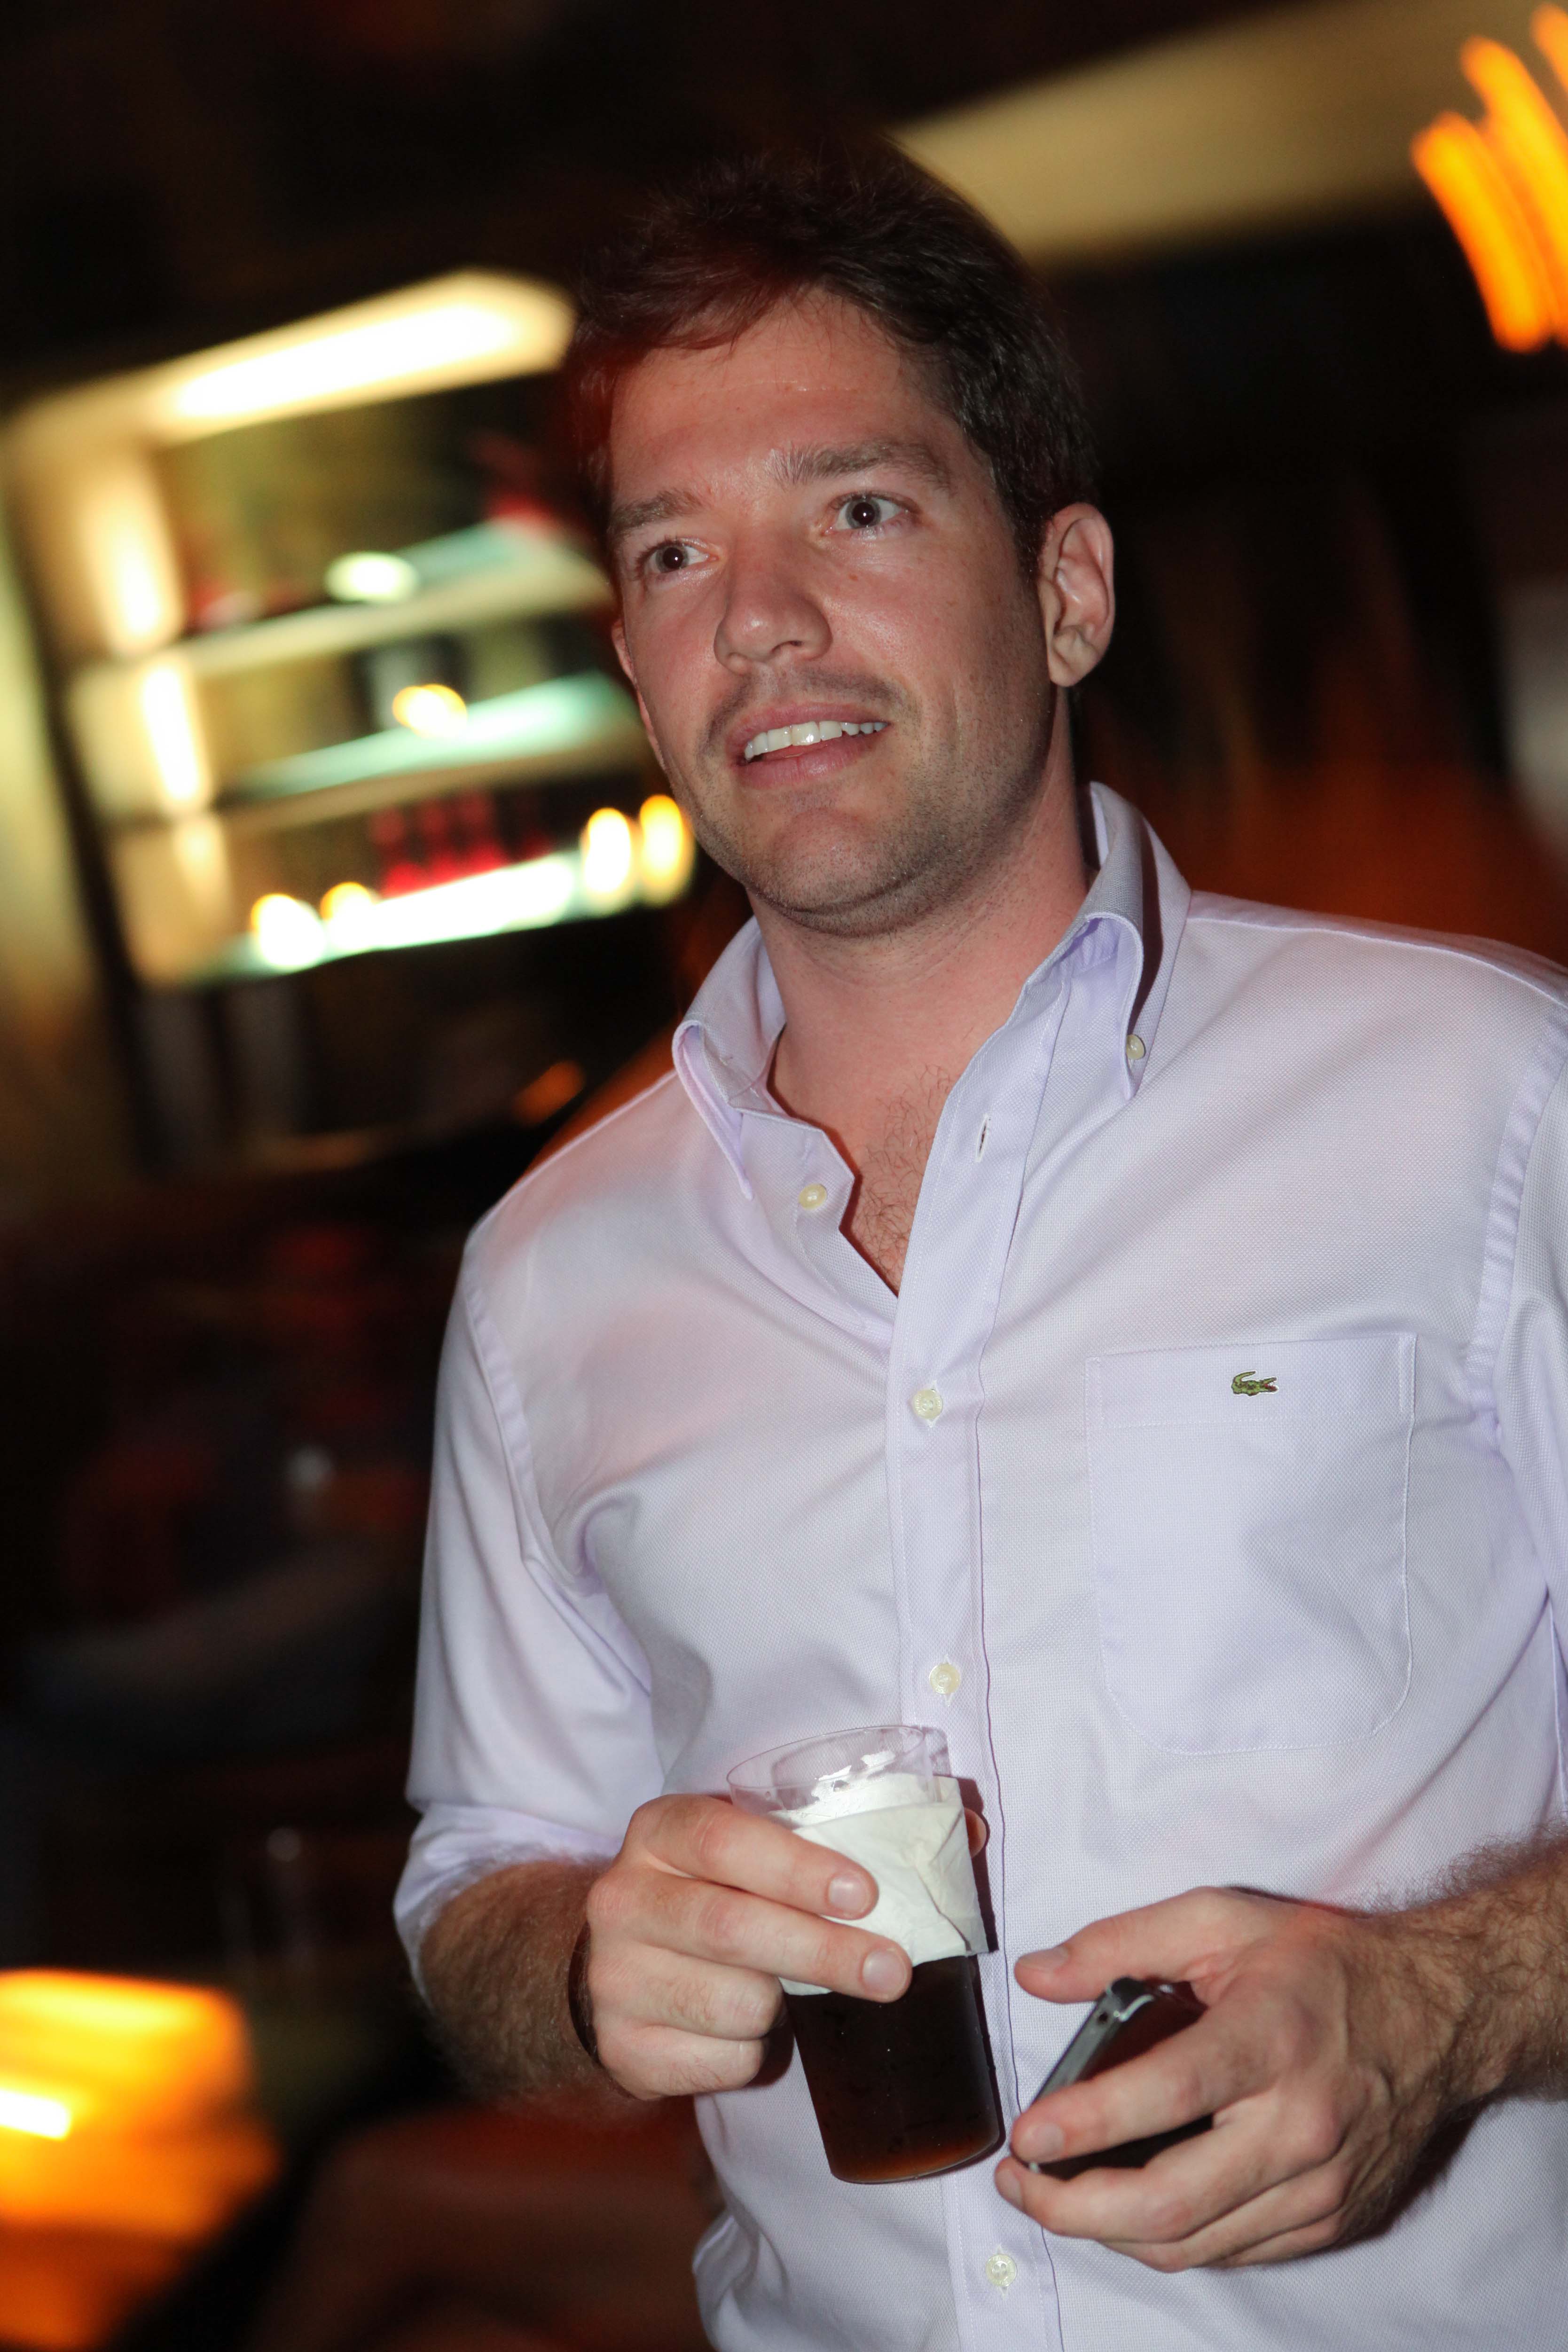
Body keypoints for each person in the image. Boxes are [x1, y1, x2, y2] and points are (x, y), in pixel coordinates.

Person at [396, 144, 1568, 2350]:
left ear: (1066, 592)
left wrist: (1441, 2001)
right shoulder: (549, 1272)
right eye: (674, 551)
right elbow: (475, 1890)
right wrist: (578, 1956)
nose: (758, 620)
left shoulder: (1482, 1098)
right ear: (636, 667)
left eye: (856, 509)